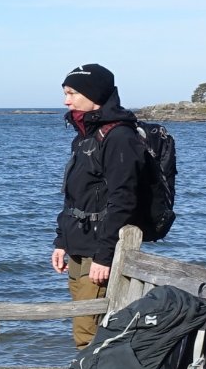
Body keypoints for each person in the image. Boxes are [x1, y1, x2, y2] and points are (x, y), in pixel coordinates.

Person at [51, 63, 142, 347]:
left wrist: (104, 256)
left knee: (88, 332)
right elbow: (76, 195)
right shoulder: (85, 135)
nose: (66, 101)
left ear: (95, 94)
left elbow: (124, 200)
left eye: (72, 93)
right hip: (78, 245)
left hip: (99, 250)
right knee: (82, 324)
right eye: (65, 93)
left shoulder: (120, 137)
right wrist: (62, 241)